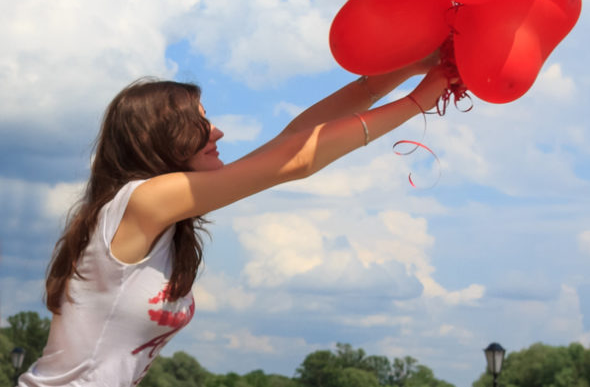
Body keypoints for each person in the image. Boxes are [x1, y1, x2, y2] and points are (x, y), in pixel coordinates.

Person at [20, 57, 453, 387]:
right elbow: (296, 160)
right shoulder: (144, 200)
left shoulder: (161, 213)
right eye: (199, 123)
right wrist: (418, 101)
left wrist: (411, 66)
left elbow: (294, 136)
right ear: (160, 138)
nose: (218, 132)